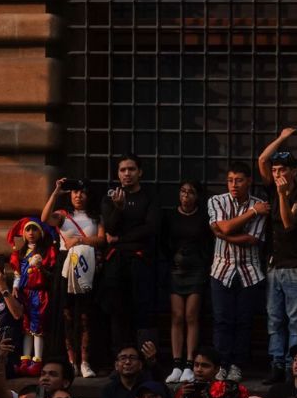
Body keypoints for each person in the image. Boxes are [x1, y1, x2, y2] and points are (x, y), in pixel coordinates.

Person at [258, 131, 297, 385]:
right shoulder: (272, 186)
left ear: (293, 171)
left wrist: (282, 196)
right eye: (276, 169)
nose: (278, 173)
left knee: (295, 320)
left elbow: (289, 222)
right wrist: (281, 139)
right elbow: (261, 160)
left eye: (283, 169)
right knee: (274, 318)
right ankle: (276, 363)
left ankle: (295, 366)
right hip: (274, 264)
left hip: (295, 266)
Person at [208, 162, 269, 382]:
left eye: (239, 180)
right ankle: (221, 365)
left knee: (244, 321)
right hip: (221, 270)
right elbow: (223, 227)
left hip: (249, 272)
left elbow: (251, 240)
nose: (234, 185)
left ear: (249, 181)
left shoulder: (261, 204)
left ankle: (237, 365)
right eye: (230, 180)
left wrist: (225, 233)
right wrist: (251, 214)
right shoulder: (216, 201)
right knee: (222, 320)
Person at [42, 177, 105, 380]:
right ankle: (71, 361)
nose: (78, 196)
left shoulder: (96, 217)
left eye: (83, 192)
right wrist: (56, 192)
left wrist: (79, 240)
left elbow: (102, 239)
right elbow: (44, 219)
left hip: (86, 266)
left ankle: (85, 361)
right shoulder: (63, 215)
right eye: (75, 192)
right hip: (66, 265)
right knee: (68, 316)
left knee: (85, 316)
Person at [98, 154, 161, 352]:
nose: (127, 174)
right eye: (123, 170)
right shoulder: (110, 198)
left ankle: (145, 359)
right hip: (116, 264)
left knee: (143, 312)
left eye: (131, 169)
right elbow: (109, 229)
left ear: (140, 172)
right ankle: (121, 357)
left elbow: (151, 228)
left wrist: (122, 239)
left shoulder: (149, 197)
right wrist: (118, 209)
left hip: (141, 261)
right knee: (118, 312)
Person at [162, 178, 213, 384]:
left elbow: (208, 244)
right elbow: (164, 242)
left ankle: (190, 363)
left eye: (190, 192)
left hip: (196, 269)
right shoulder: (171, 216)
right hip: (176, 269)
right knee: (177, 315)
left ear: (197, 196)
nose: (185, 196)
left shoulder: (202, 217)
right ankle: (176, 363)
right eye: (183, 192)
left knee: (191, 315)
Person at [6, 216, 58, 376]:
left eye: (34, 229)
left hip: (39, 294)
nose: (31, 233)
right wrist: (15, 287)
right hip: (24, 294)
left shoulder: (46, 252)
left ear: (40, 232)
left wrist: (41, 268)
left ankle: (37, 360)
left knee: (37, 327)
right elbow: (17, 274)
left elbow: (51, 274)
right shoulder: (20, 254)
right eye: (28, 229)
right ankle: (25, 360)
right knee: (26, 328)